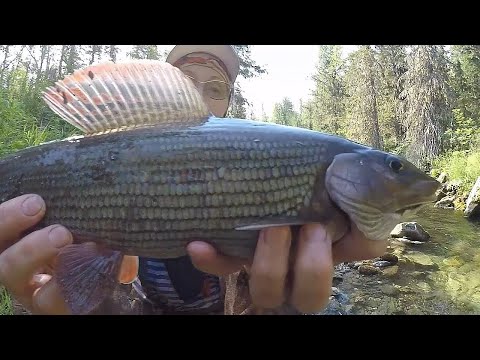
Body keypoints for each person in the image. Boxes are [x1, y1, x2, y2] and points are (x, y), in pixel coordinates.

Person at [0, 45, 389, 315]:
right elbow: (96, 293)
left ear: (231, 111)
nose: (201, 98)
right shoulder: (94, 157)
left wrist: (281, 303)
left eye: (216, 89)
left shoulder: (258, 195)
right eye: (185, 81)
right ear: (155, 93)